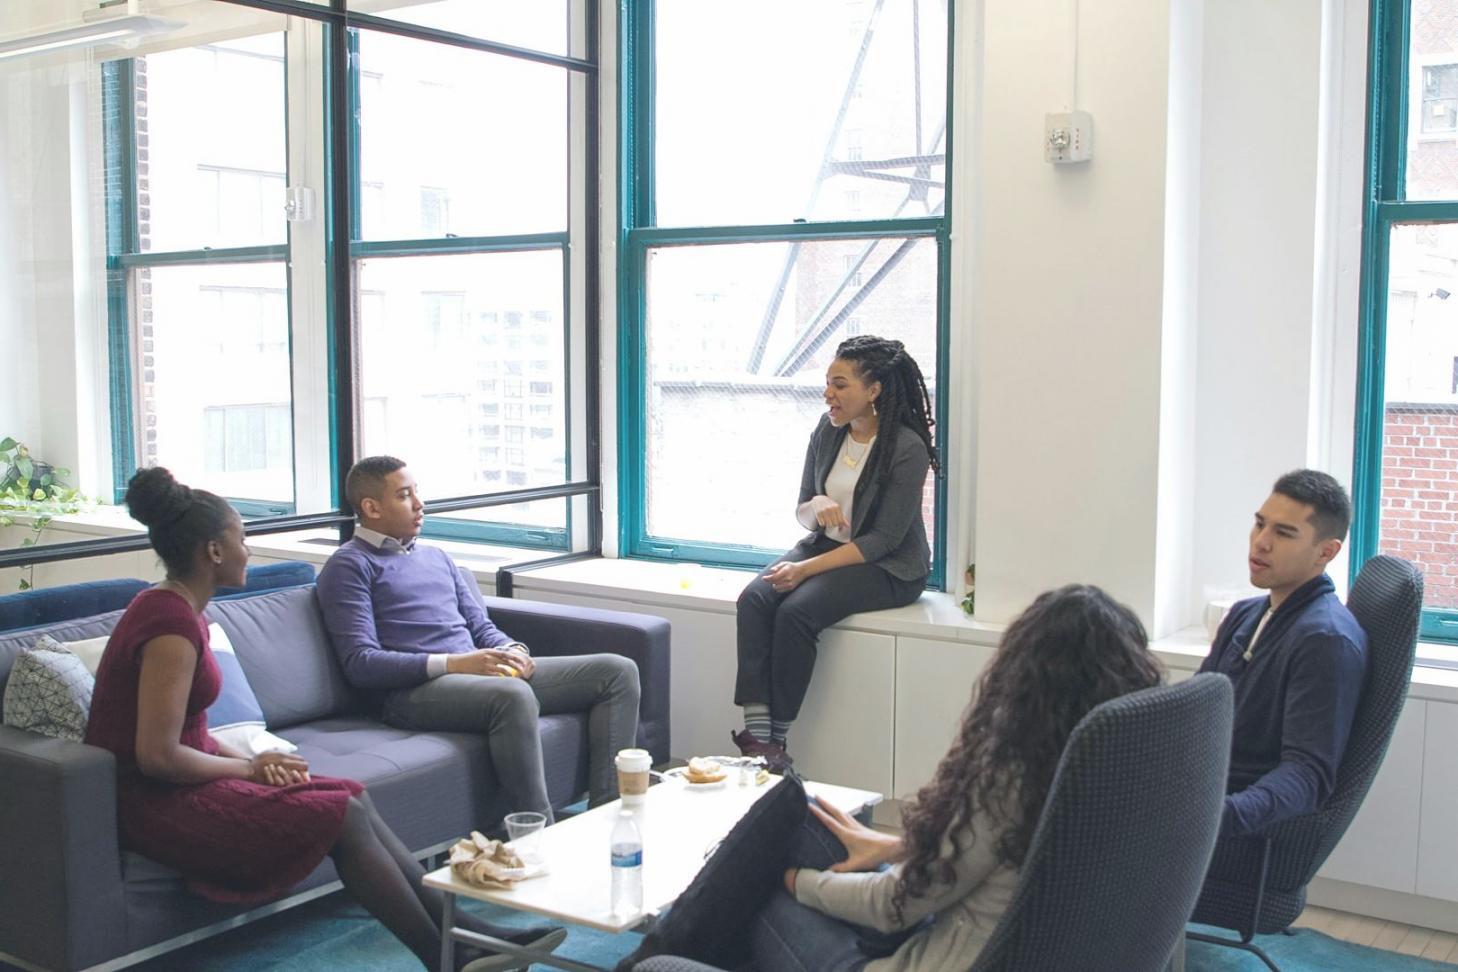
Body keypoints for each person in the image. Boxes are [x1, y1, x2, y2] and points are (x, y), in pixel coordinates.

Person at [84, 467, 564, 972]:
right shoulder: (169, 626)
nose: (249, 550)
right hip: (156, 803)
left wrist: (261, 759)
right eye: (241, 539)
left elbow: (191, 732)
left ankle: (468, 937)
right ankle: (446, 956)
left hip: (184, 781)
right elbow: (157, 757)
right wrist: (248, 768)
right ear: (214, 551)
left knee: (353, 795)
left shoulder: (183, 612)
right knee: (342, 814)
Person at [687, 585, 1164, 972]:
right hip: (960, 929)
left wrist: (792, 881)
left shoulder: (1016, 780)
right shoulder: (1112, 777)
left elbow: (891, 906)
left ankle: (663, 956)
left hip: (931, 954)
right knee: (808, 820)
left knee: (766, 899)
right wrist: (898, 848)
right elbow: (983, 865)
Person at [316, 455, 640, 819]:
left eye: (416, 492)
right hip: (410, 693)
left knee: (617, 672)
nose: (420, 504)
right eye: (404, 495)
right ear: (372, 508)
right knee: (512, 694)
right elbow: (361, 663)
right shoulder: (350, 565)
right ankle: (537, 830)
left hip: (473, 675)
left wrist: (512, 649)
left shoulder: (437, 557)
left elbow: (480, 627)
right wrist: (457, 664)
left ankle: (608, 816)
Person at [733, 335, 938, 769]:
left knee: (796, 612)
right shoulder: (828, 431)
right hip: (826, 547)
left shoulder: (907, 448)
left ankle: (776, 740)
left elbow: (883, 540)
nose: (828, 393)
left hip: (890, 567)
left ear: (874, 390)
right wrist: (818, 504)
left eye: (840, 385)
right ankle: (760, 739)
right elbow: (803, 511)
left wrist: (805, 570)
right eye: (828, 382)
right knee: (754, 598)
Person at [1198, 469, 1369, 836]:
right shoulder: (1245, 613)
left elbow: (1308, 775)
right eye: (1260, 524)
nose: (1261, 543)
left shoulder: (1325, 640)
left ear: (1326, 551)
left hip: (1227, 822)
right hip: (1192, 789)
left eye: (1284, 533)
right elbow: (1195, 709)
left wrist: (1215, 818)